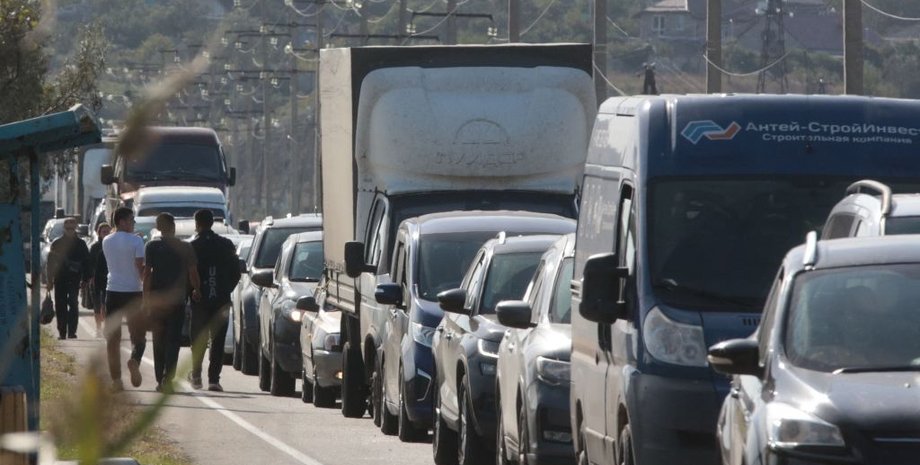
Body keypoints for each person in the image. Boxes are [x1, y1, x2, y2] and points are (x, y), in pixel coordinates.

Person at [143, 213, 201, 392]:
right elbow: (193, 272)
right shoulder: (185, 247)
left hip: (157, 301)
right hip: (177, 300)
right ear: (173, 227)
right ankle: (168, 378)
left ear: (159, 228)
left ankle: (159, 378)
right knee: (173, 341)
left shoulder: (152, 246)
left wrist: (145, 298)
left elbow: (147, 274)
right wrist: (197, 289)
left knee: (158, 339)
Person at [189, 209, 241, 391]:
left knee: (198, 339)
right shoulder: (226, 244)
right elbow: (236, 272)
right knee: (218, 340)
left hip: (199, 300)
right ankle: (213, 379)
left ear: (197, 224)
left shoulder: (193, 246)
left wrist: (192, 292)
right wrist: (226, 289)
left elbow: (188, 274)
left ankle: (196, 376)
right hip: (221, 300)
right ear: (212, 223)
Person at [102, 207, 147, 391]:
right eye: (131, 220)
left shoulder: (106, 240)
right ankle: (134, 360)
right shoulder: (137, 241)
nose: (133, 223)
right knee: (139, 335)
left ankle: (116, 380)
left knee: (113, 338)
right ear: (121, 221)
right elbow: (139, 267)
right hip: (133, 291)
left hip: (112, 290)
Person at [47, 217, 90, 340]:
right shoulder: (57, 243)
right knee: (60, 306)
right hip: (60, 278)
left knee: (73, 304)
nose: (70, 228)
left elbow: (87, 262)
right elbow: (50, 263)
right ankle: (62, 332)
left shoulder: (81, 244)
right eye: (68, 226)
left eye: (72, 225)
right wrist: (50, 280)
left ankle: (71, 332)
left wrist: (85, 279)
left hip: (75, 279)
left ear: (76, 227)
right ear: (64, 228)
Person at [87, 222, 111, 338]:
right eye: (104, 232)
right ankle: (98, 328)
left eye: (108, 231)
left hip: (110, 279)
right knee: (97, 305)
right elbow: (90, 264)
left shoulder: (112, 246)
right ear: (99, 233)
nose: (106, 234)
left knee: (106, 304)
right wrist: (91, 277)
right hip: (96, 279)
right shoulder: (95, 247)